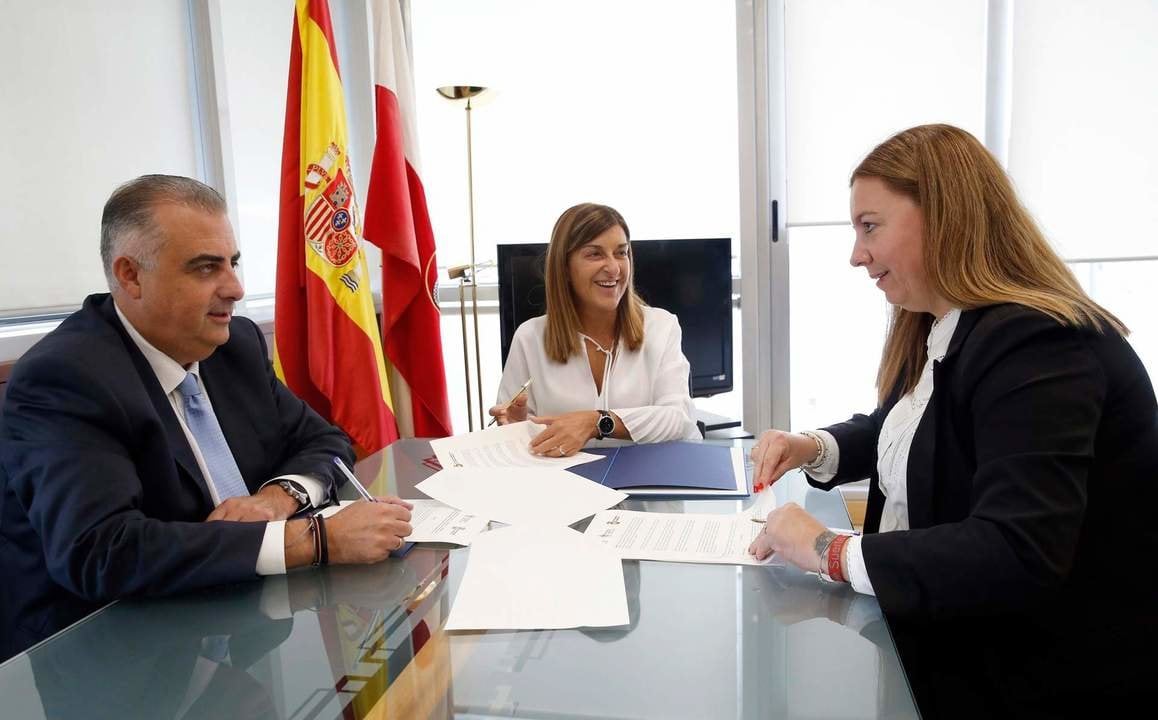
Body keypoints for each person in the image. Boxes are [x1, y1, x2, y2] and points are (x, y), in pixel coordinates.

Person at [746, 124, 1158, 715]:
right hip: (959, 644)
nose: (856, 254)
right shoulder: (945, 325)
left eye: (870, 226)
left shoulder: (1039, 344)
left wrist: (827, 550)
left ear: (943, 217)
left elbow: (1017, 550)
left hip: (1047, 675)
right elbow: (905, 431)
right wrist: (811, 446)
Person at [0, 175, 413, 661]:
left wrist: (276, 499)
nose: (235, 289)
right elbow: (102, 552)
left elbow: (326, 441)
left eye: (233, 263)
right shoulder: (66, 378)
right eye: (205, 268)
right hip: (111, 653)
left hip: (238, 624)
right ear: (130, 275)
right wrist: (312, 540)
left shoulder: (231, 344)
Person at [489, 203, 699, 456]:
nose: (614, 268)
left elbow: (678, 418)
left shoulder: (661, 326)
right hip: (570, 486)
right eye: (595, 254)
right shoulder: (529, 337)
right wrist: (516, 427)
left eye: (621, 253)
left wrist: (596, 422)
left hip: (651, 483)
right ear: (564, 267)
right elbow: (515, 437)